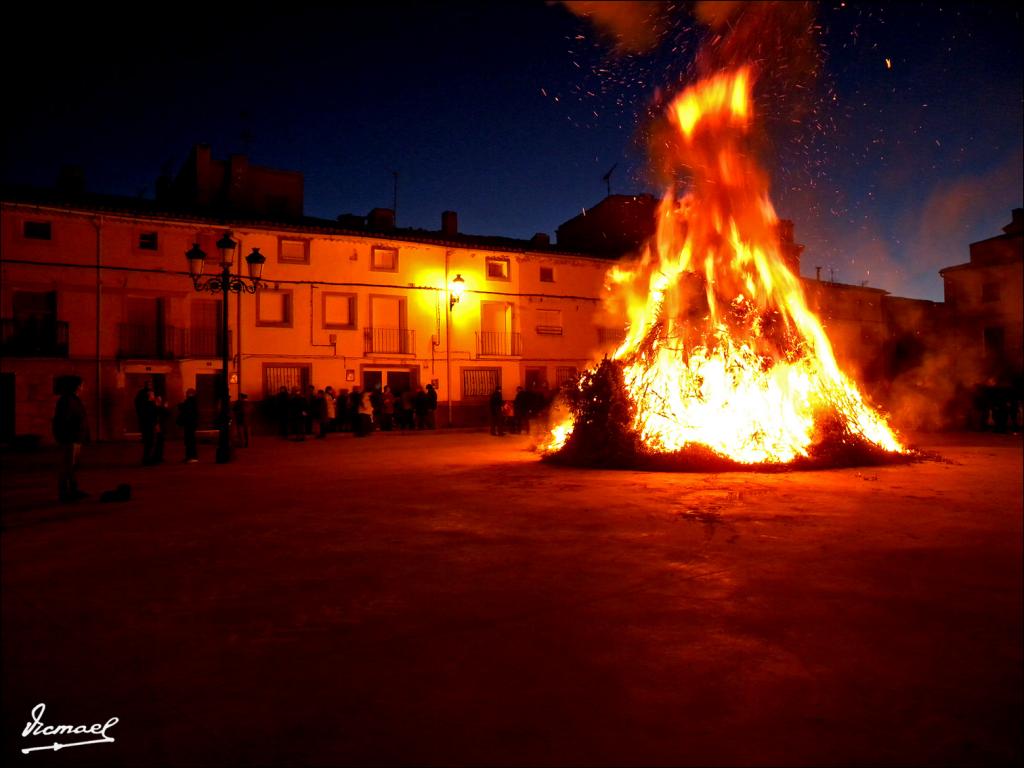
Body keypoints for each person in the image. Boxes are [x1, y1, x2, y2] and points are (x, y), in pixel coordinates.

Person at [52, 375, 89, 503]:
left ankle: (73, 490)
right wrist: (66, 436)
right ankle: (64, 493)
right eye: (82, 385)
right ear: (77, 386)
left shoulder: (74, 399)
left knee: (73, 466)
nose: (83, 387)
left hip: (76, 437)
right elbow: (63, 420)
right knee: (67, 466)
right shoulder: (67, 400)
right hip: (71, 438)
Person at [135, 381, 157, 465]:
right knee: (149, 441)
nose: (153, 396)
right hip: (147, 422)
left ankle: (147, 458)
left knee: (150, 442)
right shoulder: (146, 403)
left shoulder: (149, 403)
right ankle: (146, 459)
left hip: (148, 422)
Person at [177, 388, 200, 462]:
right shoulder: (194, 402)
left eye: (187, 393)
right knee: (191, 440)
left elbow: (185, 410)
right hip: (192, 424)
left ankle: (190, 456)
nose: (185, 394)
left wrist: (181, 406)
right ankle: (192, 456)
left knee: (189, 440)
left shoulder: (189, 401)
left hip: (189, 424)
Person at [151, 395, 170, 464]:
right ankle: (156, 457)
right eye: (158, 400)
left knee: (160, 442)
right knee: (158, 442)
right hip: (158, 426)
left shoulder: (158, 408)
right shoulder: (155, 407)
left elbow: (166, 415)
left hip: (160, 426)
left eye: (160, 400)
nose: (160, 401)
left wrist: (165, 408)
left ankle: (158, 456)